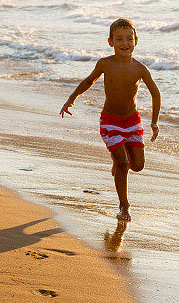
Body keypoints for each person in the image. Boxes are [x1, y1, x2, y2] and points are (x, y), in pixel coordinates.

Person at [60, 18, 161, 221]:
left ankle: (118, 162)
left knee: (138, 165)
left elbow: (155, 94)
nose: (125, 43)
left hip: (132, 121)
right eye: (119, 39)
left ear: (136, 41)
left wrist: (154, 122)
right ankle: (124, 206)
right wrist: (71, 99)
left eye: (129, 39)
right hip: (110, 121)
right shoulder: (105, 64)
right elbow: (89, 81)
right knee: (123, 164)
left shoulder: (140, 69)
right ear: (110, 42)